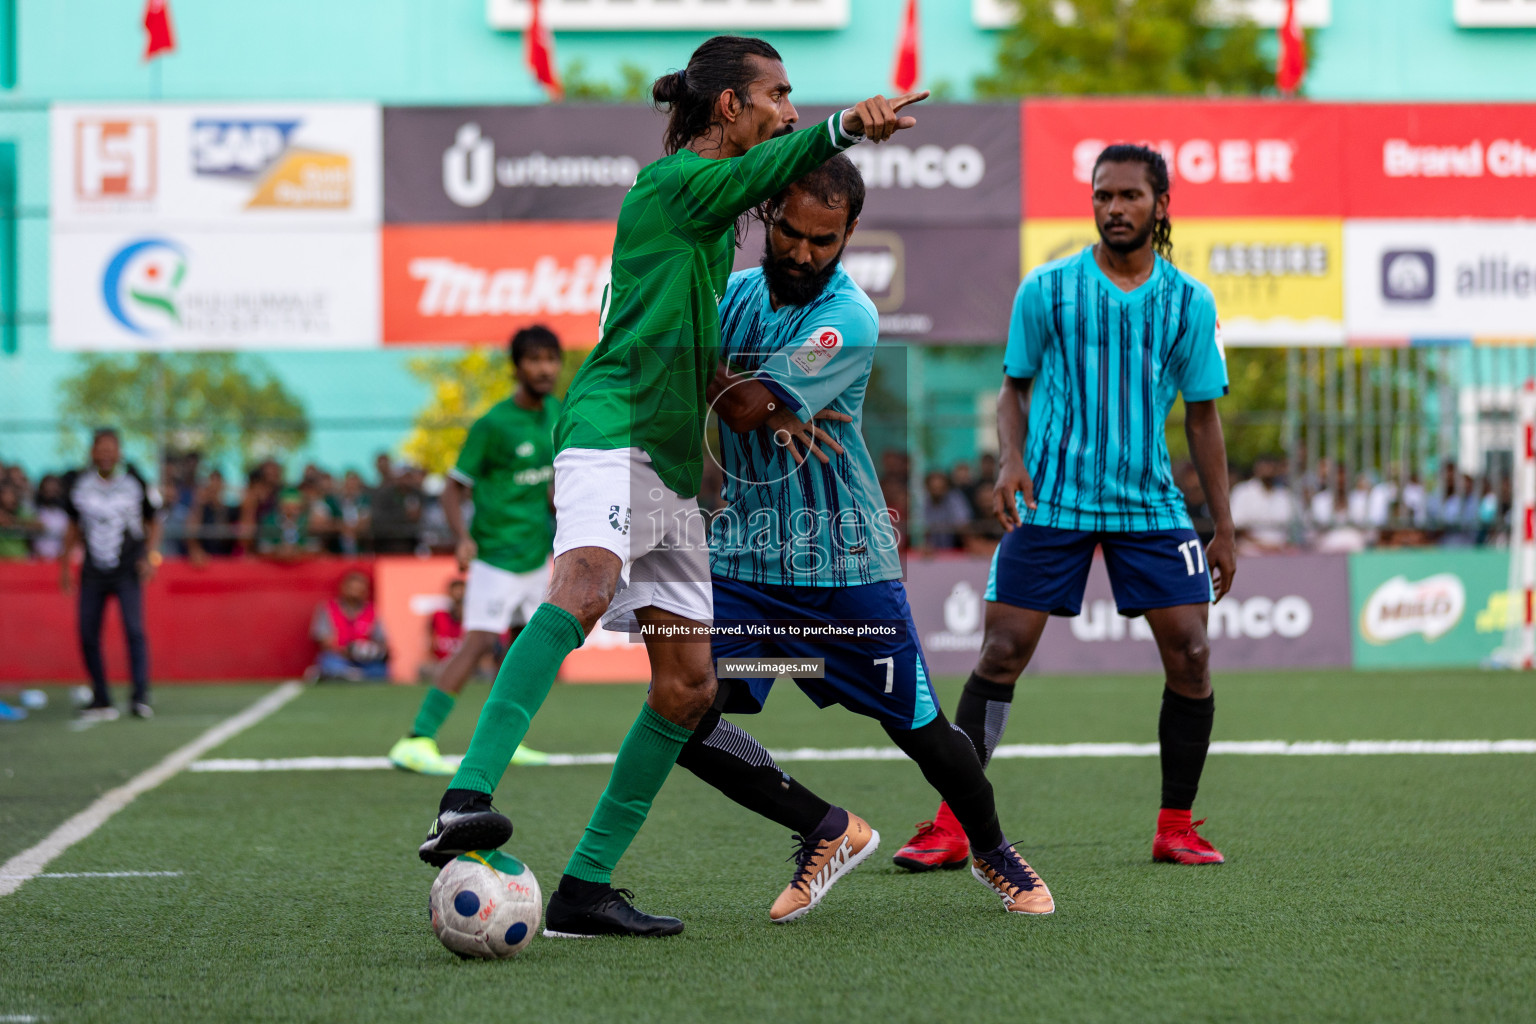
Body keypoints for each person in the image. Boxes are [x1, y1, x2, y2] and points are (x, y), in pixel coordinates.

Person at [415, 33, 926, 941]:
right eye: (778, 93)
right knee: (583, 586)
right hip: (611, 434)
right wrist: (849, 124)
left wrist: (756, 414)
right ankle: (465, 798)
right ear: (730, 107)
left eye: (798, 99)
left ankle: (585, 889)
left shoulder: (709, 209)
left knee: (688, 690)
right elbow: (777, 163)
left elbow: (703, 342)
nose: (790, 109)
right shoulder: (673, 187)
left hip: (671, 467)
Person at [675, 156, 1052, 921]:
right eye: (791, 232)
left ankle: (995, 852)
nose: (804, 253)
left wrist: (712, 374)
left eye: (825, 239)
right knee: (681, 711)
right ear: (769, 216)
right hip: (744, 564)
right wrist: (725, 382)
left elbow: (743, 407)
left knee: (920, 731)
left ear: (848, 236)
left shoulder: (848, 316)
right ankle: (823, 830)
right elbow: (716, 391)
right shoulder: (735, 296)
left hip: (842, 566)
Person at [894, 144, 1236, 871]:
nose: (1115, 208)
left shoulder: (1189, 302)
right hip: (1052, 502)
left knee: (1194, 655)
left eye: (1130, 196)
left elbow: (1204, 417)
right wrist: (1009, 460)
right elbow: (1012, 389)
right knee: (1001, 652)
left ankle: (1176, 824)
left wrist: (1224, 527)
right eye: (1103, 195)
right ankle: (954, 824)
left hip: (1151, 507)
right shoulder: (1047, 290)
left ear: (1160, 206)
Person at [388, 325, 564, 775]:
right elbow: (452, 488)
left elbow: (549, 486)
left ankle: (507, 738)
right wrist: (462, 537)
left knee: (527, 649)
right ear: (517, 366)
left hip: (535, 554)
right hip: (496, 556)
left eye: (551, 359)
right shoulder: (492, 424)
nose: (545, 368)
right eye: (535, 359)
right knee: (480, 642)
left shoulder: (557, 415)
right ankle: (417, 738)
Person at [59, 428, 164, 721]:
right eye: (100, 448)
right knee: (87, 632)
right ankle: (101, 696)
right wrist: (66, 566)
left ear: (119, 452)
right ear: (92, 452)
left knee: (134, 630)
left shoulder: (135, 482)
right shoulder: (79, 486)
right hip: (93, 571)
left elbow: (154, 522)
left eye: (111, 448)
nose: (106, 454)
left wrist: (150, 557)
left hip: (127, 569)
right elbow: (72, 528)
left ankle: (140, 696)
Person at [310, 571, 389, 681]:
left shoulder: (372, 611)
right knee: (330, 663)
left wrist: (371, 651)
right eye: (351, 588)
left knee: (379, 671)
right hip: (338, 657)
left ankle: (353, 676)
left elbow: (382, 641)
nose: (355, 592)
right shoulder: (328, 608)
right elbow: (323, 639)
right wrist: (348, 651)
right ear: (343, 588)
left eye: (359, 589)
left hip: (365, 660)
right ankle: (346, 674)